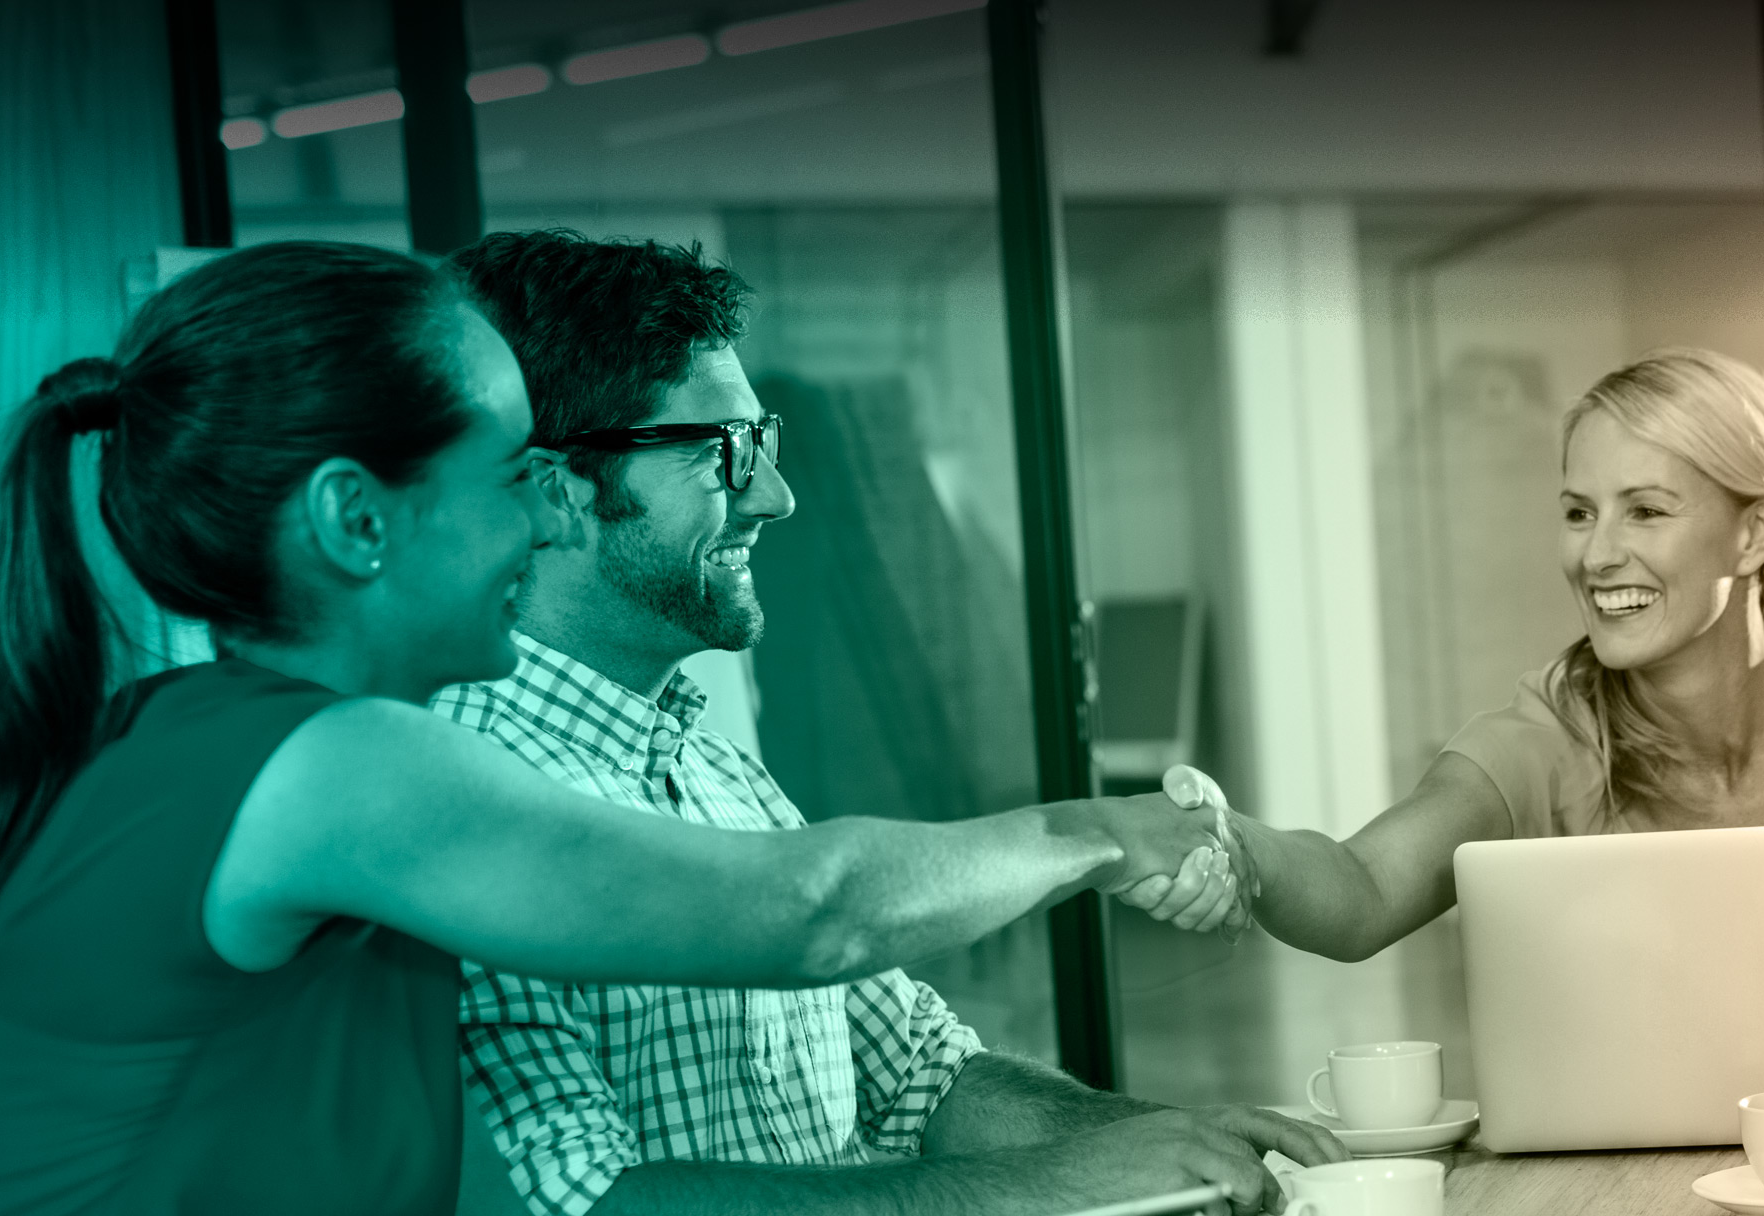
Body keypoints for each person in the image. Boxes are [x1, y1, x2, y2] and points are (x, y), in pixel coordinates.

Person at [0, 241, 1336, 1216]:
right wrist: (1098, 829)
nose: (545, 525)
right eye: (509, 480)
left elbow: (879, 1028)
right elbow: (809, 914)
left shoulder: (259, 748)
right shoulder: (339, 765)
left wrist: (1125, 1155)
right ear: (356, 520)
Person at [434, 229, 1265, 1216]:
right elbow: (587, 1203)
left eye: (765, 442)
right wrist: (1058, 1184)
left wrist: (1174, 1146)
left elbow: (922, 1073)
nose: (776, 496)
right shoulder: (457, 796)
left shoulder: (718, 771)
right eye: (724, 453)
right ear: (561, 489)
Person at [1170, 347, 1764, 1057]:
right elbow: (1360, 890)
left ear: (1754, 532)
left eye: (1644, 511)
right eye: (1579, 513)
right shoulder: (1537, 743)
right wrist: (1231, 843)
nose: (1596, 554)